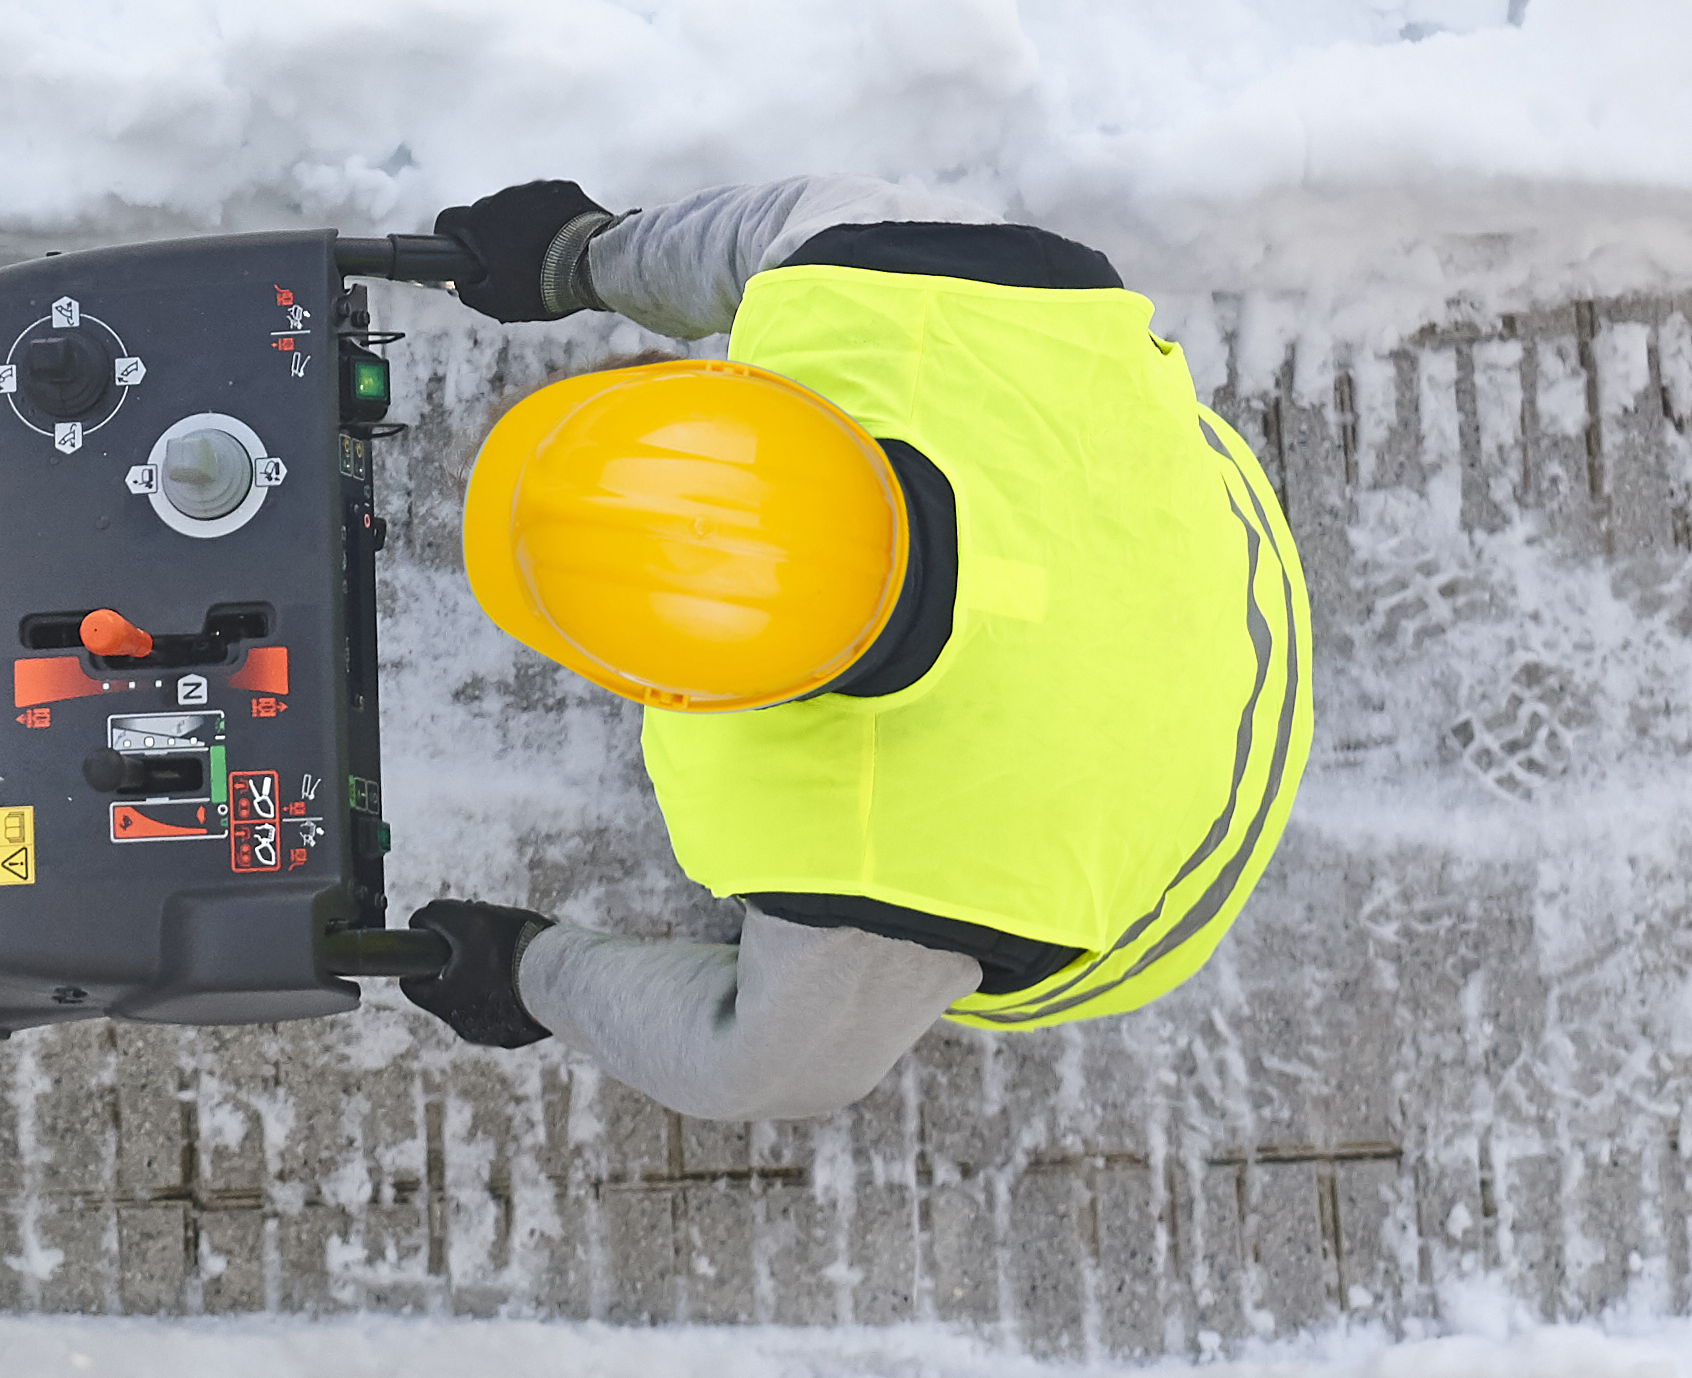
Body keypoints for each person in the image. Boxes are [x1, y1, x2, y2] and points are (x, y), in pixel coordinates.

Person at [385, 174, 1315, 1120]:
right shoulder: (897, 278)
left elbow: (764, 1073)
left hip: (1182, 863)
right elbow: (766, 225)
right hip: (1219, 557)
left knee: (864, 987)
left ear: (673, 686)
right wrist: (580, 257)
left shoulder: (890, 895)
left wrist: (529, 976)